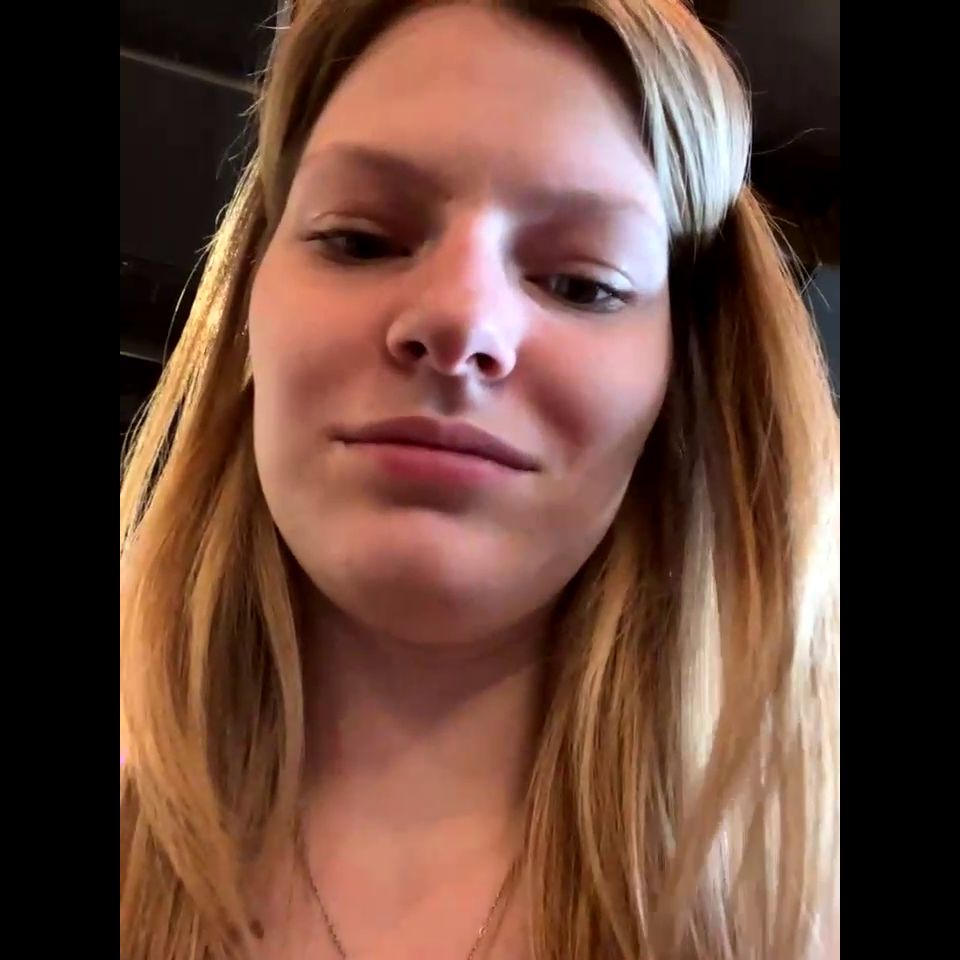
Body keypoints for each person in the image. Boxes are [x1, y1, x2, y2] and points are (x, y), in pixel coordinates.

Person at [119, 1, 840, 958]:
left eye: (582, 284)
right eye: (361, 239)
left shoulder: (804, 903)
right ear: (250, 299)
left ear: (683, 373)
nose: (460, 320)